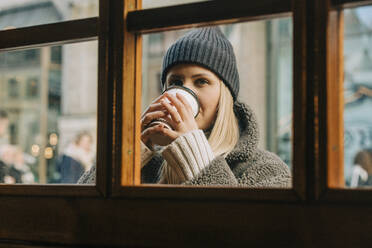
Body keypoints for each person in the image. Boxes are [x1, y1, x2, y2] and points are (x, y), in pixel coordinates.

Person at [79, 27, 291, 187]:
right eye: (175, 83)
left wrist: (194, 154)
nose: (184, 93)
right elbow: (81, 212)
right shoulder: (147, 162)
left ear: (224, 96)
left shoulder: (265, 168)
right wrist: (130, 149)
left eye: (201, 81)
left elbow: (244, 231)